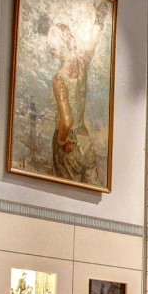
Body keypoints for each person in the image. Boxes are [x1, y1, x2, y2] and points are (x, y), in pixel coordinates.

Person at [50, 23, 98, 185]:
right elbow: (93, 44)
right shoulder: (82, 64)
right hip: (85, 139)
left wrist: (61, 141)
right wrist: (98, 23)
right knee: (91, 186)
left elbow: (67, 121)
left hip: (68, 143)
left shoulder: (59, 79)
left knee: (65, 194)